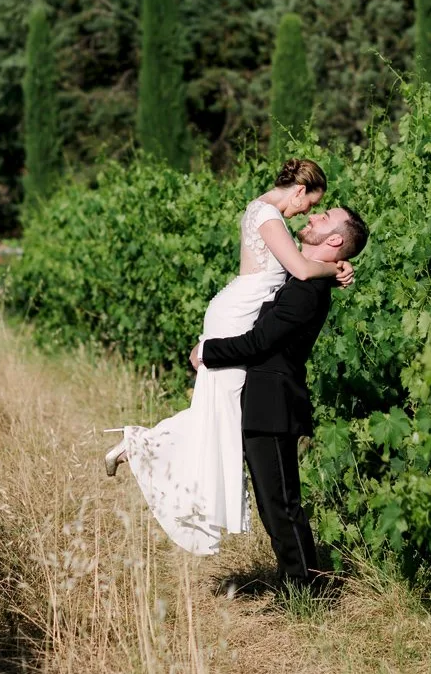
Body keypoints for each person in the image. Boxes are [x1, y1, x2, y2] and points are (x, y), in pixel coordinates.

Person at [103, 159, 354, 556]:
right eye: (311, 205)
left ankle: (143, 444)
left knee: (218, 412)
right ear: (300, 191)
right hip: (238, 315)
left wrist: (331, 267)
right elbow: (303, 272)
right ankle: (143, 445)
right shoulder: (269, 215)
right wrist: (336, 268)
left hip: (238, 310)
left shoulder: (269, 215)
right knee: (219, 413)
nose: (306, 213)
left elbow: (298, 271)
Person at [191, 205, 368, 589]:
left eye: (324, 218)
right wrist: (338, 271)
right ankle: (302, 583)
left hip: (274, 405)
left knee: (281, 507)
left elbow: (259, 343)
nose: (315, 216)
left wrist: (207, 351)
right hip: (265, 404)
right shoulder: (303, 279)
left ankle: (308, 589)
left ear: (335, 239)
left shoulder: (306, 291)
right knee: (276, 507)